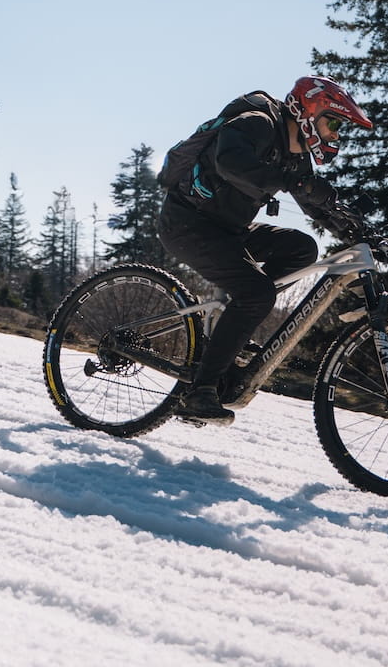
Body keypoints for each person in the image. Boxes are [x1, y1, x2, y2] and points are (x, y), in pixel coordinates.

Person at [157, 77, 372, 422]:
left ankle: (233, 329)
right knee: (256, 293)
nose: (336, 135)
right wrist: (293, 182)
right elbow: (230, 162)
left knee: (302, 249)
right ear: (310, 112)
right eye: (333, 124)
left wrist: (354, 229)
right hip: (187, 223)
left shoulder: (295, 154)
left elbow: (313, 203)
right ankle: (201, 390)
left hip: (228, 229)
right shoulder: (258, 123)